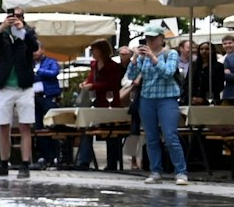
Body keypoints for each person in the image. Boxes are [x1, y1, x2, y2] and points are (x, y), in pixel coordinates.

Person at [124, 24, 188, 185]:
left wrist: (153, 58)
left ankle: (180, 172)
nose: (150, 41)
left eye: (153, 38)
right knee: (151, 137)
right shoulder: (142, 56)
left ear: (162, 39)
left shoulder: (171, 53)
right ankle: (155, 171)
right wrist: (133, 59)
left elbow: (168, 73)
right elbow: (131, 76)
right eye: (148, 38)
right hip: (147, 98)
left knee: (170, 136)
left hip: (167, 98)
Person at [0, 8, 40, 179]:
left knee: (25, 126)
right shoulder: (3, 34)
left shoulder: (28, 33)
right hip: (5, 87)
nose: (15, 19)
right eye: (12, 16)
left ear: (23, 19)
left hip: (24, 87)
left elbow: (34, 47)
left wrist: (23, 31)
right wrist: (1, 27)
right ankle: (4, 163)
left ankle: (25, 165)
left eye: (18, 16)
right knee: (3, 126)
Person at [75, 39, 125, 171]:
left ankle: (112, 162)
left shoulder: (112, 66)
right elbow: (91, 78)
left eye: (94, 49)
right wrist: (87, 84)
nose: (92, 52)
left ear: (101, 50)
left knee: (111, 132)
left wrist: (93, 86)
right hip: (96, 101)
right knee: (87, 128)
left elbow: (112, 83)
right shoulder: (94, 64)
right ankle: (84, 160)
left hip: (109, 101)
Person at [32, 43, 63, 167]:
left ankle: (55, 155)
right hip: (35, 98)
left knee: (51, 126)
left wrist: (39, 71)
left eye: (36, 50)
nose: (34, 53)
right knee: (38, 128)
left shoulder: (51, 62)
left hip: (48, 97)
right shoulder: (31, 63)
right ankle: (43, 156)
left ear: (43, 50)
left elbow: (54, 72)